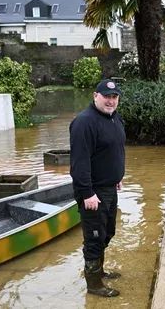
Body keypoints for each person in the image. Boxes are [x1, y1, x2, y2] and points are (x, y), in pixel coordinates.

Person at [69, 79, 126, 297]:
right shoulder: (84, 123)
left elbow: (115, 149)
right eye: (106, 97)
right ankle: (94, 285)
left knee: (106, 233)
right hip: (93, 192)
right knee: (94, 238)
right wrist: (87, 193)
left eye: (114, 97)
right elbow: (79, 163)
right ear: (95, 96)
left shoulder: (114, 118)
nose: (111, 101)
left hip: (110, 187)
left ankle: (99, 271)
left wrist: (117, 176)